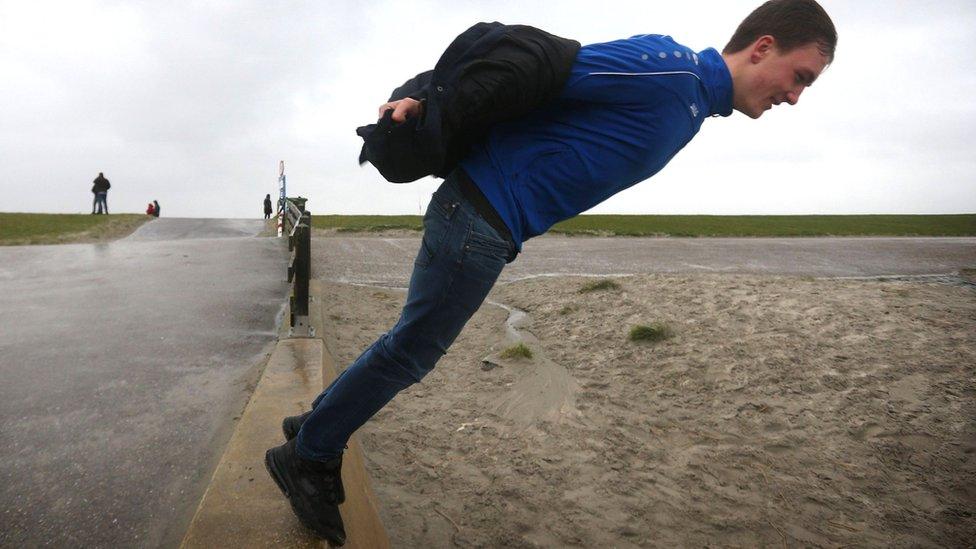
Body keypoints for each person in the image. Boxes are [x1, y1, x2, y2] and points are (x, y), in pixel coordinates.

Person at [264, 1, 837, 544]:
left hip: (489, 222)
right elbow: (537, 64)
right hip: (479, 217)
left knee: (406, 345)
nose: (795, 96)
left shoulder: (690, 100)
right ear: (763, 48)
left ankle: (313, 428)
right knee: (410, 352)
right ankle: (309, 455)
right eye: (802, 77)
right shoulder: (670, 73)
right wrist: (421, 95)